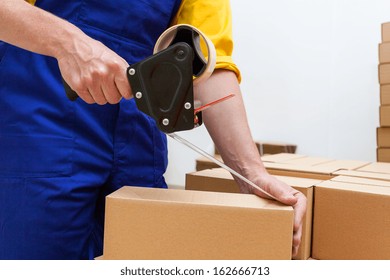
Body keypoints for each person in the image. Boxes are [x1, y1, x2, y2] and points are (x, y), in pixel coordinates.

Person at [0, 0, 306, 259]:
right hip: (39, 128)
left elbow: (210, 65)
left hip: (138, 142)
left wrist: (252, 175)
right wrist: (68, 44)